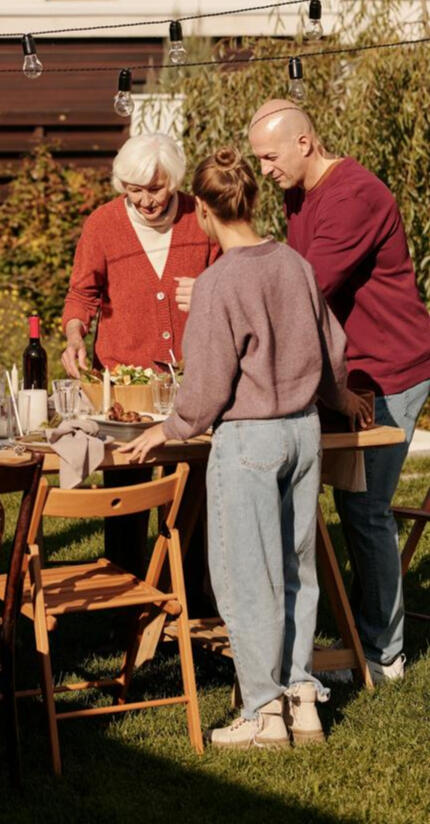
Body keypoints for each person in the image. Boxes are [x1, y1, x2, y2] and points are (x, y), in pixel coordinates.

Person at [120, 147, 369, 749]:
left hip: (250, 438)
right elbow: (331, 349)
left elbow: (205, 391)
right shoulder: (295, 265)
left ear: (201, 209)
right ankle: (301, 696)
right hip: (304, 431)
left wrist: (169, 428)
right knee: (296, 568)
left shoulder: (217, 282)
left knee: (243, 577)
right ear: (251, 201)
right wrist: (341, 398)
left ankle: (262, 710)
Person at [248, 100, 430, 683]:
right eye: (257, 159)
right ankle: (354, 630)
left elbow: (307, 287)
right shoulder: (299, 194)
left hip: (391, 368)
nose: (264, 169)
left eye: (270, 156)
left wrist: (230, 299)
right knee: (342, 500)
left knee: (364, 506)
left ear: (304, 143)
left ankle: (385, 653)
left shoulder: (354, 196)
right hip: (348, 370)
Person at [60, 133, 217, 577]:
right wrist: (75, 334)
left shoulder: (199, 217)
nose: (145, 201)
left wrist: (206, 291)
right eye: (134, 190)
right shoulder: (103, 224)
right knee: (126, 500)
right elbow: (82, 294)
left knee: (193, 501)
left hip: (193, 385)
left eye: (156, 188)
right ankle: (123, 598)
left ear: (175, 181)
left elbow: (231, 280)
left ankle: (192, 602)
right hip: (125, 395)